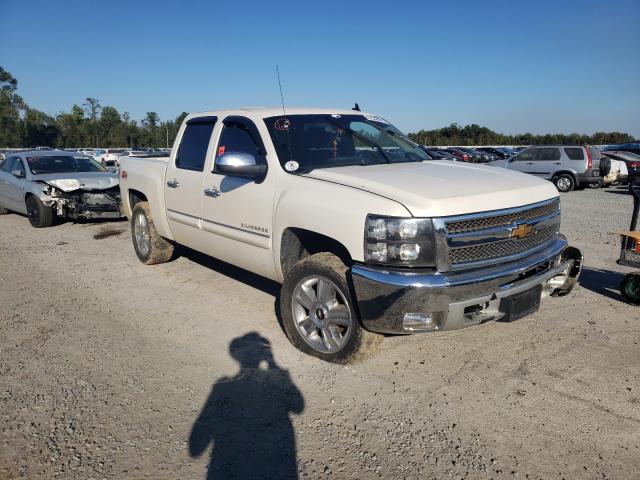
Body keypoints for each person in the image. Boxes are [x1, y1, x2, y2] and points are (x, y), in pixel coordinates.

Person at [189, 332, 304, 479]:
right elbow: (298, 406)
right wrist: (273, 364)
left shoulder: (222, 388)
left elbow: (195, 449)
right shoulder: (223, 388)